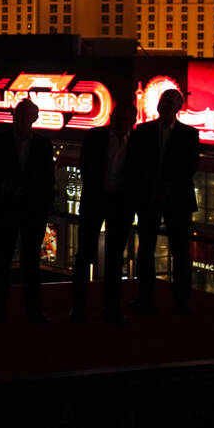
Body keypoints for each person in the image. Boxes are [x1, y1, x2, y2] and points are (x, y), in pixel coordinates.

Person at [126, 88, 199, 315]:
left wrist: (166, 187)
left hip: (174, 198)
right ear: (158, 106)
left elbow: (189, 167)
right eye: (164, 102)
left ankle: (180, 300)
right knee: (147, 249)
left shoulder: (189, 134)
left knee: (179, 251)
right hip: (151, 197)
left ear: (178, 108)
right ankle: (146, 296)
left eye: (170, 103)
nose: (166, 106)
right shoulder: (143, 131)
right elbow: (135, 163)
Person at [0, 98, 56, 324]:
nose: (22, 118)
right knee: (3, 264)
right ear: (14, 116)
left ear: (34, 118)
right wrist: (6, 186)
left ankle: (29, 311)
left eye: (26, 115)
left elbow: (47, 179)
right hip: (9, 209)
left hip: (30, 212)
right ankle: (2, 311)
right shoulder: (0, 141)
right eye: (19, 114)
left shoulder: (43, 144)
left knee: (30, 265)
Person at [71, 102, 137, 324]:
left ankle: (110, 308)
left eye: (124, 120)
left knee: (114, 257)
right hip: (97, 199)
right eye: (117, 119)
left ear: (132, 122)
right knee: (84, 255)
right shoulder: (95, 136)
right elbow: (86, 165)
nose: (119, 124)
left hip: (119, 202)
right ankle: (80, 307)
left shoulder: (135, 142)